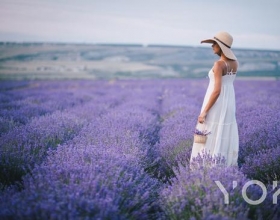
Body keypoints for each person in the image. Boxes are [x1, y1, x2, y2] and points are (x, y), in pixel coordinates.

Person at [190, 31, 239, 166]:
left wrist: (204, 111)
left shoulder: (219, 64)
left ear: (220, 46)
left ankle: (208, 167)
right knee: (223, 132)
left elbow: (217, 90)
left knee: (209, 133)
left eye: (214, 44)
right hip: (228, 101)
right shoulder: (235, 63)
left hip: (216, 103)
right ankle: (223, 166)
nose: (212, 46)